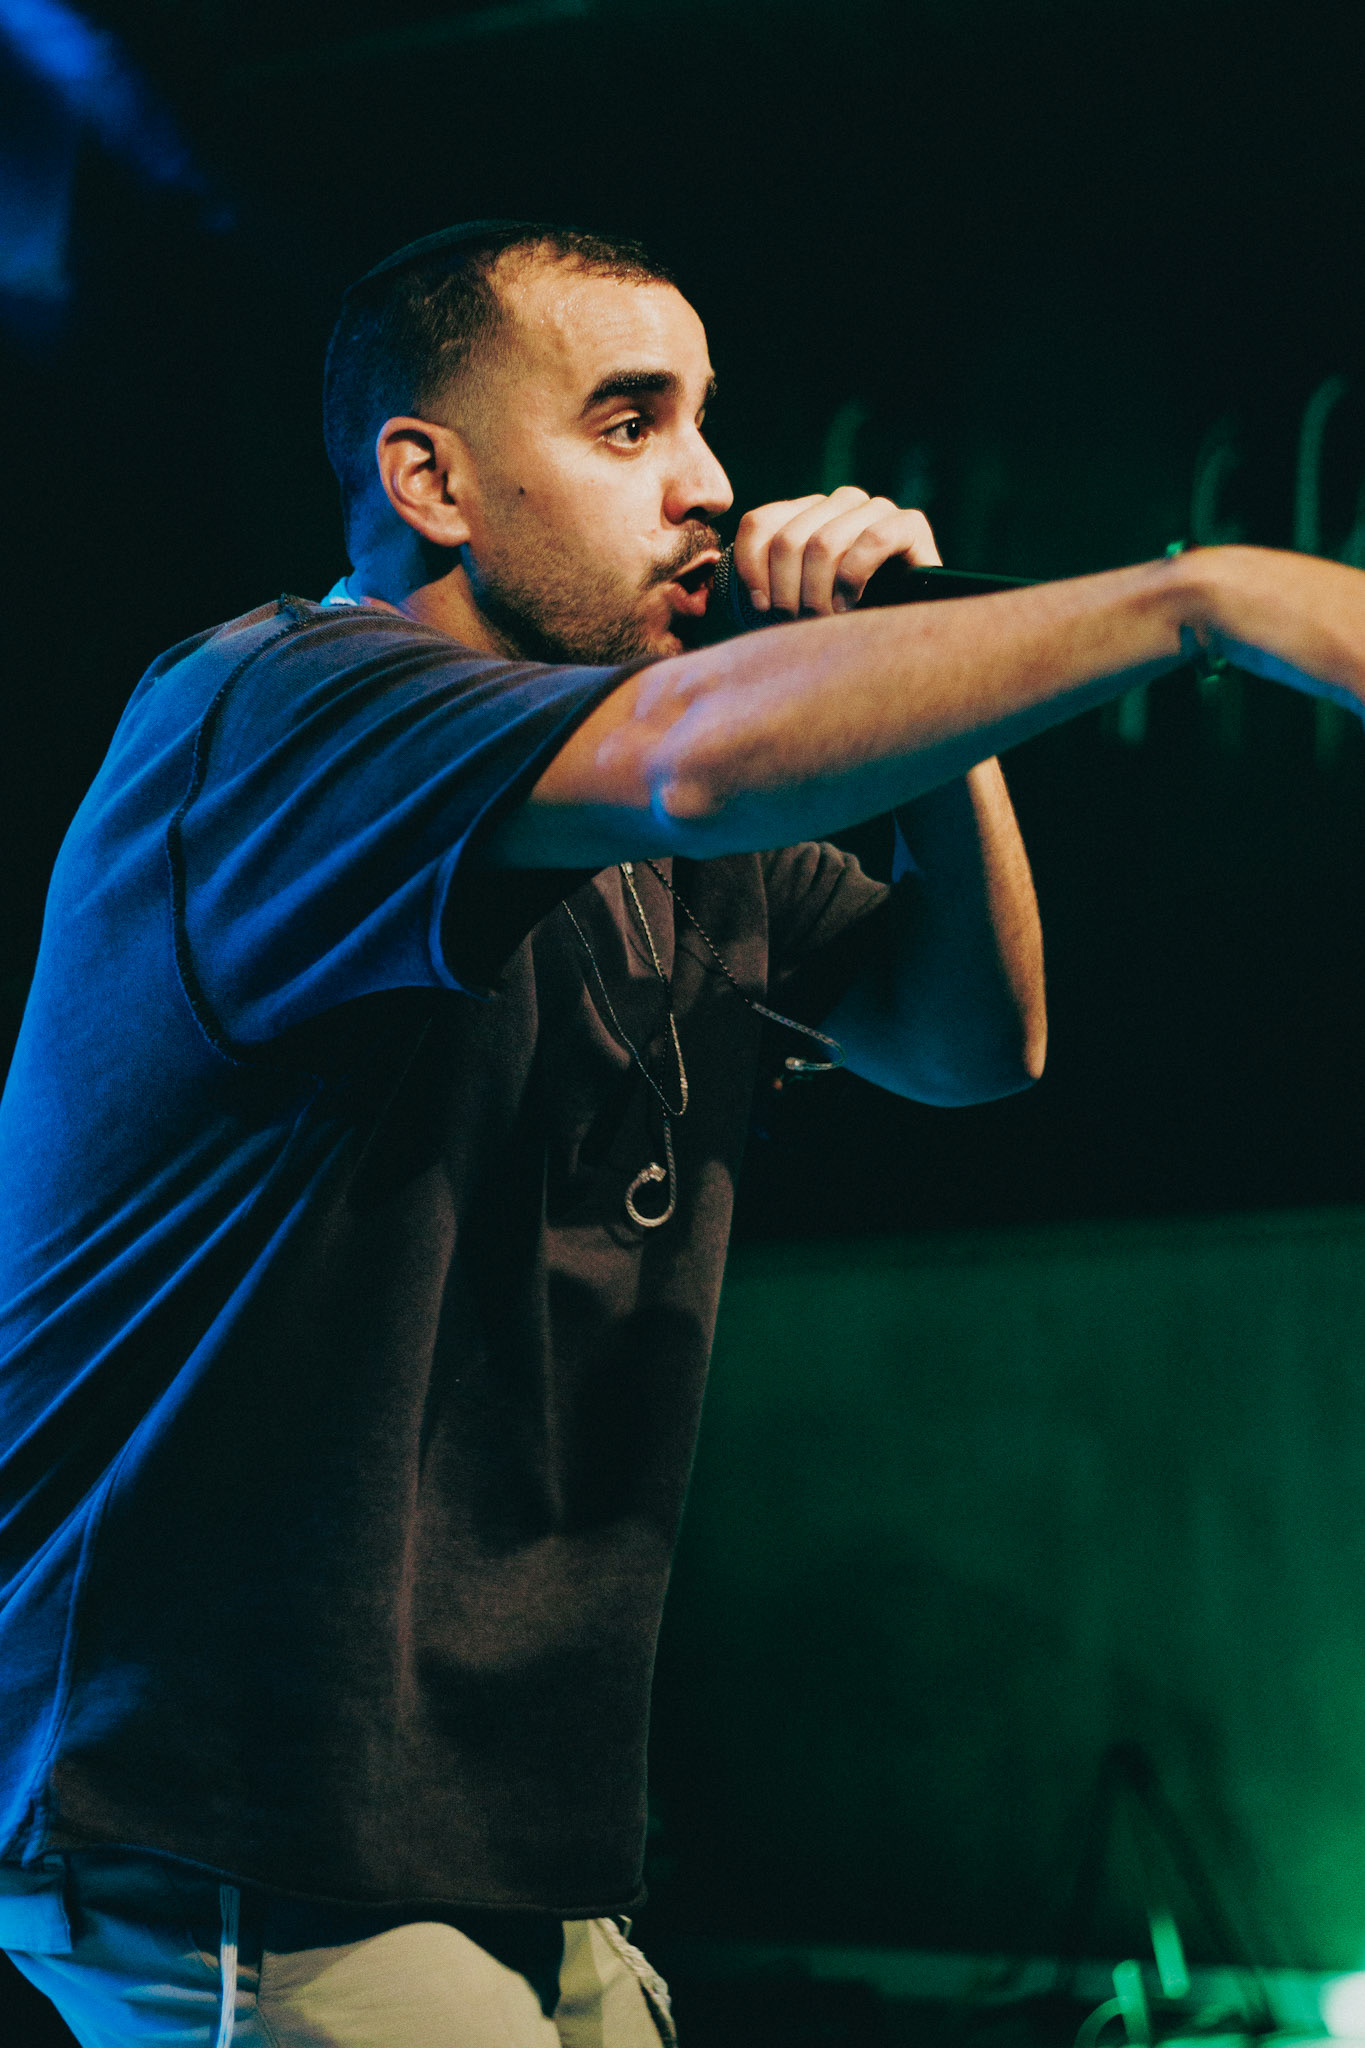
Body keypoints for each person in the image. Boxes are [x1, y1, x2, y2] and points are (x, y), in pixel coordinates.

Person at [0, 218, 1362, 2048]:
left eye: (707, 420)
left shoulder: (657, 829)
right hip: (225, 1814)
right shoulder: (281, 711)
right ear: (430, 480)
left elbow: (972, 1042)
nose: (710, 483)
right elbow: (694, 756)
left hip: (494, 1832)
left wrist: (911, 662)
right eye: (629, 423)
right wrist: (1206, 598)